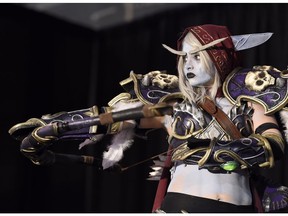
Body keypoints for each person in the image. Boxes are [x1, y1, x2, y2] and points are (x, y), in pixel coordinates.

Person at [9, 24, 288, 213]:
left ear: (217, 57)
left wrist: (226, 150)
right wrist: (56, 126)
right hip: (183, 206)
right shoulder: (174, 107)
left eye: (196, 56)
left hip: (237, 209)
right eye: (184, 58)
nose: (188, 64)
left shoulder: (248, 104)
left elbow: (273, 141)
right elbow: (113, 118)